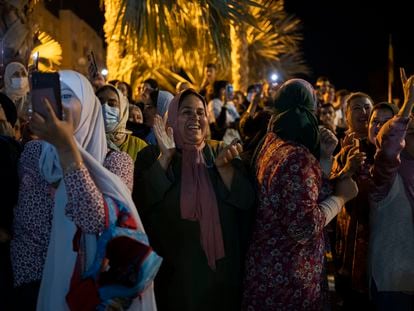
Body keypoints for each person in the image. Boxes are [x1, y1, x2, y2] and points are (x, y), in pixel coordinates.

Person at [10, 70, 156, 310]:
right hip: (33, 279)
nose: (57, 105)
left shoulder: (115, 162)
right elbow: (26, 222)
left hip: (90, 284)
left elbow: (95, 220)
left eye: (67, 96)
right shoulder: (33, 153)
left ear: (89, 107)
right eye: (55, 97)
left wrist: (67, 148)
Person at [133, 88, 255, 311]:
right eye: (186, 112)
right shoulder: (151, 156)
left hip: (222, 280)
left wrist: (225, 170)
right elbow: (141, 202)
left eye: (200, 112)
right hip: (173, 280)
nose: (195, 118)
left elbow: (247, 203)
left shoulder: (219, 152)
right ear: (171, 117)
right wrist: (165, 157)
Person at [242, 79, 358, 310]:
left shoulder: (271, 142)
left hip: (266, 271)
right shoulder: (296, 157)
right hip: (289, 281)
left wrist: (325, 157)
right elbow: (303, 226)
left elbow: (307, 194)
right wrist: (341, 198)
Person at [369, 69, 414, 309]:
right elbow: (388, 146)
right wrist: (407, 104)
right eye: (409, 132)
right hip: (392, 285)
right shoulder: (386, 172)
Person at [96, 84, 147, 162]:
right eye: (100, 103)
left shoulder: (140, 146)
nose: (105, 108)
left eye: (112, 104)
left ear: (123, 109)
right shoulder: (87, 142)